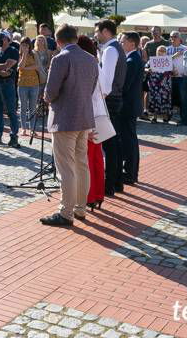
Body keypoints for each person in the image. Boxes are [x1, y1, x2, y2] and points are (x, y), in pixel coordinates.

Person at [40, 24, 99, 227]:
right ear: (76, 38)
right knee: (81, 165)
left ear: (58, 41)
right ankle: (80, 208)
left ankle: (66, 212)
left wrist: (47, 97)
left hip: (65, 119)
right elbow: (91, 88)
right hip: (84, 117)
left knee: (66, 168)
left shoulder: (60, 58)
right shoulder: (91, 59)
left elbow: (50, 92)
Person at [95, 19, 126, 196]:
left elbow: (106, 82)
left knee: (110, 144)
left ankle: (110, 184)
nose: (96, 35)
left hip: (110, 99)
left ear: (105, 31)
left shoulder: (110, 50)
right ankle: (117, 182)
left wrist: (100, 99)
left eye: (97, 31)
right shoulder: (114, 48)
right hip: (115, 98)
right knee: (114, 143)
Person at [76, 35, 105, 211]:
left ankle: (90, 195)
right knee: (96, 158)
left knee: (86, 158)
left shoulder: (86, 65)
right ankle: (98, 194)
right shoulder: (96, 64)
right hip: (99, 113)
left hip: (89, 115)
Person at [0, 30, 20, 147]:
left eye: (1, 38)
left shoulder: (13, 50)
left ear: (7, 39)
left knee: (11, 110)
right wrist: (0, 71)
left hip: (8, 83)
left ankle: (14, 136)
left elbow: (8, 65)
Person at [120, 32, 144, 185]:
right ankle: (131, 171)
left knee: (129, 140)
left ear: (132, 43)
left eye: (123, 41)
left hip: (128, 106)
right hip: (131, 104)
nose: (121, 44)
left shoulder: (131, 60)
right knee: (131, 139)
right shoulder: (134, 58)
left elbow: (125, 86)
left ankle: (130, 173)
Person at [17, 36, 41, 137]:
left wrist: (25, 68)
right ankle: (23, 128)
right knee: (23, 107)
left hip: (34, 84)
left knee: (32, 108)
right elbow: (20, 66)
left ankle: (32, 129)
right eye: (23, 45)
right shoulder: (19, 54)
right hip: (22, 84)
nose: (25, 47)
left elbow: (37, 66)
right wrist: (24, 55)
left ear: (29, 45)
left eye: (26, 45)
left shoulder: (34, 54)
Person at [146, 45, 172, 123]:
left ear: (166, 52)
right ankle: (154, 117)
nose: (161, 52)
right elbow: (145, 68)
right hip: (154, 84)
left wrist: (174, 71)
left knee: (165, 99)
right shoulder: (152, 60)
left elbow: (173, 71)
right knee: (154, 99)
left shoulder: (168, 60)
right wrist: (148, 70)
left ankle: (165, 117)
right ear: (156, 52)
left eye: (163, 51)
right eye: (159, 51)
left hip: (165, 84)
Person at [166, 31, 187, 117]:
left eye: (175, 36)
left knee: (182, 97)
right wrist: (174, 56)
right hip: (170, 76)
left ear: (180, 38)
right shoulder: (167, 49)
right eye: (171, 36)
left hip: (182, 76)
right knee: (170, 96)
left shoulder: (186, 48)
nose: (173, 38)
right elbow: (165, 61)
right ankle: (169, 115)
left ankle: (183, 117)